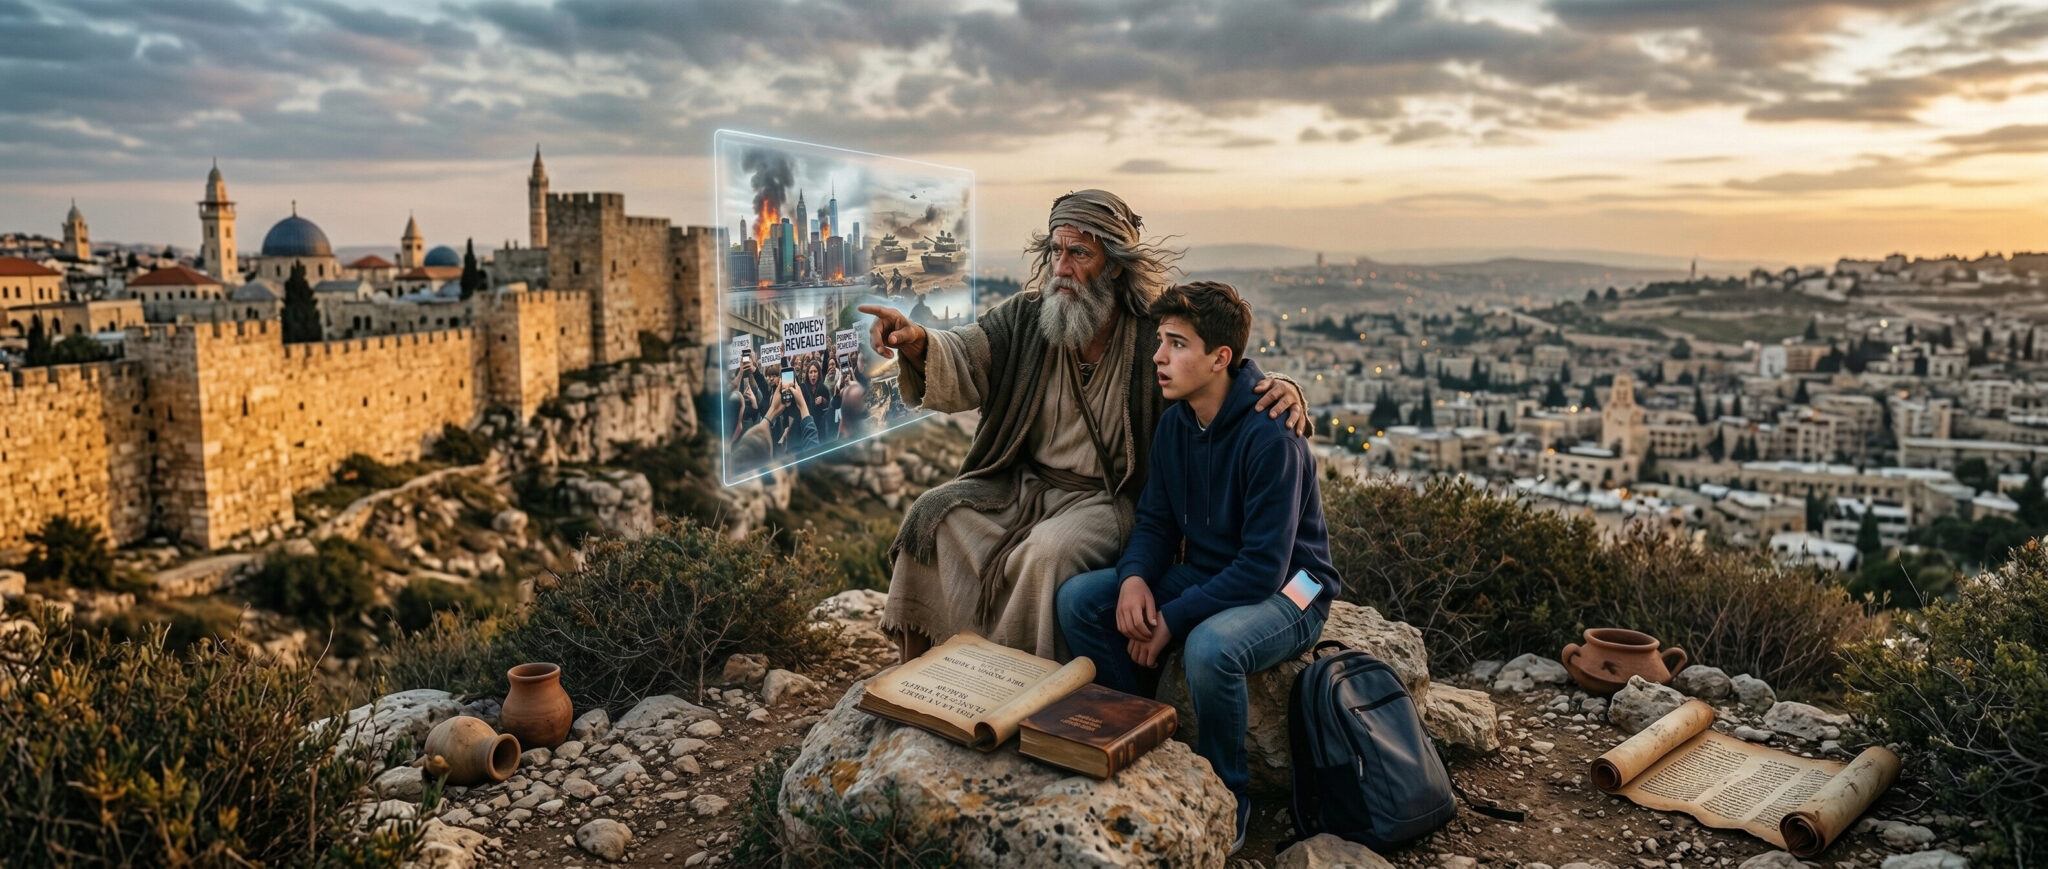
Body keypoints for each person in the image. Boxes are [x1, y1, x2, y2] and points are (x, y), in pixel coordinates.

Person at [859, 189, 1311, 662]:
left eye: (1079, 253)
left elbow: (1210, 367)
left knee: (1047, 553)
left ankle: (1019, 684)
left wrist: (1280, 384)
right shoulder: (1026, 318)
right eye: (1056, 250)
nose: (1062, 267)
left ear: (1114, 265)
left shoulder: (1146, 335)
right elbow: (967, 353)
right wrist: (915, 342)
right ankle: (922, 668)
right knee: (933, 515)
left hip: (1109, 500)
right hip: (1021, 485)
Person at [1056, 280, 1340, 854]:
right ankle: (1139, 733)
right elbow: (1157, 522)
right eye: (1161, 341)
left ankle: (1225, 797)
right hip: (1214, 574)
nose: (1160, 357)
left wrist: (1173, 618)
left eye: (1177, 344)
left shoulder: (1271, 437)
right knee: (1080, 599)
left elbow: (1264, 568)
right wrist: (1135, 578)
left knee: (1213, 647)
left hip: (1297, 587)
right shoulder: (1178, 423)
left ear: (1220, 358)